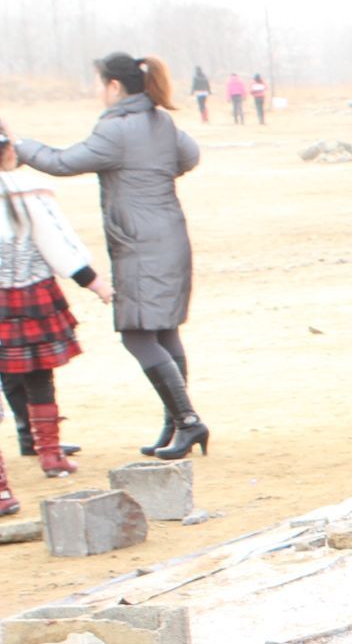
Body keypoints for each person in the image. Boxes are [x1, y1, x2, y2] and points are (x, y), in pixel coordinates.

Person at [11, 53, 208, 460]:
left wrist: (19, 147)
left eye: (99, 83)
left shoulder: (117, 129)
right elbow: (188, 156)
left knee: (137, 333)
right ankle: (175, 424)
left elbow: (62, 162)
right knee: (165, 329)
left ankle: (188, 422)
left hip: (139, 243)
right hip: (170, 233)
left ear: (114, 87)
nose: (98, 91)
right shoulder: (161, 120)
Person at [0, 123, 111, 501]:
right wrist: (95, 283)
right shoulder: (27, 192)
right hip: (29, 295)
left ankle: (1, 489)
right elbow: (58, 246)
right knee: (38, 377)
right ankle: (50, 454)